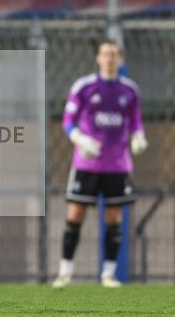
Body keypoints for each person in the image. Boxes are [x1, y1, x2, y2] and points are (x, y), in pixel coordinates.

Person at [53, 40, 146, 289]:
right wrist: (80, 139)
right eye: (105, 54)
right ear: (97, 58)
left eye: (114, 54)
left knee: (113, 219)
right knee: (75, 215)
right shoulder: (84, 87)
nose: (109, 58)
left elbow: (136, 121)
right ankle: (65, 272)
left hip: (117, 165)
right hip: (87, 164)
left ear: (121, 59)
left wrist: (138, 137)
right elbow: (68, 121)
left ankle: (108, 274)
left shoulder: (130, 91)